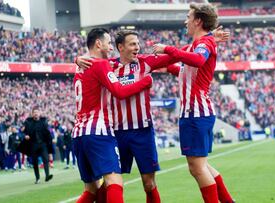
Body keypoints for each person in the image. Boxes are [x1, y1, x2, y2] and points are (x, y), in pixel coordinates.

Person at [76, 28, 229, 203]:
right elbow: (91, 63)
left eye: (138, 44)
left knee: (149, 183)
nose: (137, 47)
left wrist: (208, 40)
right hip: (117, 133)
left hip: (143, 132)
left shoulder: (145, 62)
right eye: (133, 44)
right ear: (120, 47)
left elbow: (176, 56)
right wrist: (78, 59)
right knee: (110, 182)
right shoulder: (109, 65)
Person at [153, 3, 234, 203]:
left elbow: (197, 60)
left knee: (197, 167)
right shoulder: (198, 44)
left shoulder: (204, 44)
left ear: (198, 20)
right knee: (201, 166)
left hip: (197, 113)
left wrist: (167, 48)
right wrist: (161, 67)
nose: (185, 21)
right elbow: (184, 68)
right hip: (194, 113)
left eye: (188, 16)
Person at [72, 28, 153, 203]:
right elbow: (120, 92)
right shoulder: (100, 64)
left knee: (91, 189)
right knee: (114, 181)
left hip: (78, 134)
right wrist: (145, 82)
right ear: (98, 43)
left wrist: (76, 58)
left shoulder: (79, 66)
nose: (111, 47)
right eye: (109, 43)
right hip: (98, 131)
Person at [19, 107, 53, 184]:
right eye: (34, 112)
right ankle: (37, 178)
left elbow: (47, 133)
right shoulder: (28, 122)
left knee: (45, 159)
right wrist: (25, 135)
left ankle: (47, 176)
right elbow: (21, 131)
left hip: (43, 144)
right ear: (32, 114)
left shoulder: (43, 121)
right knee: (35, 162)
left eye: (37, 112)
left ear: (39, 113)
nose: (36, 113)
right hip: (33, 144)